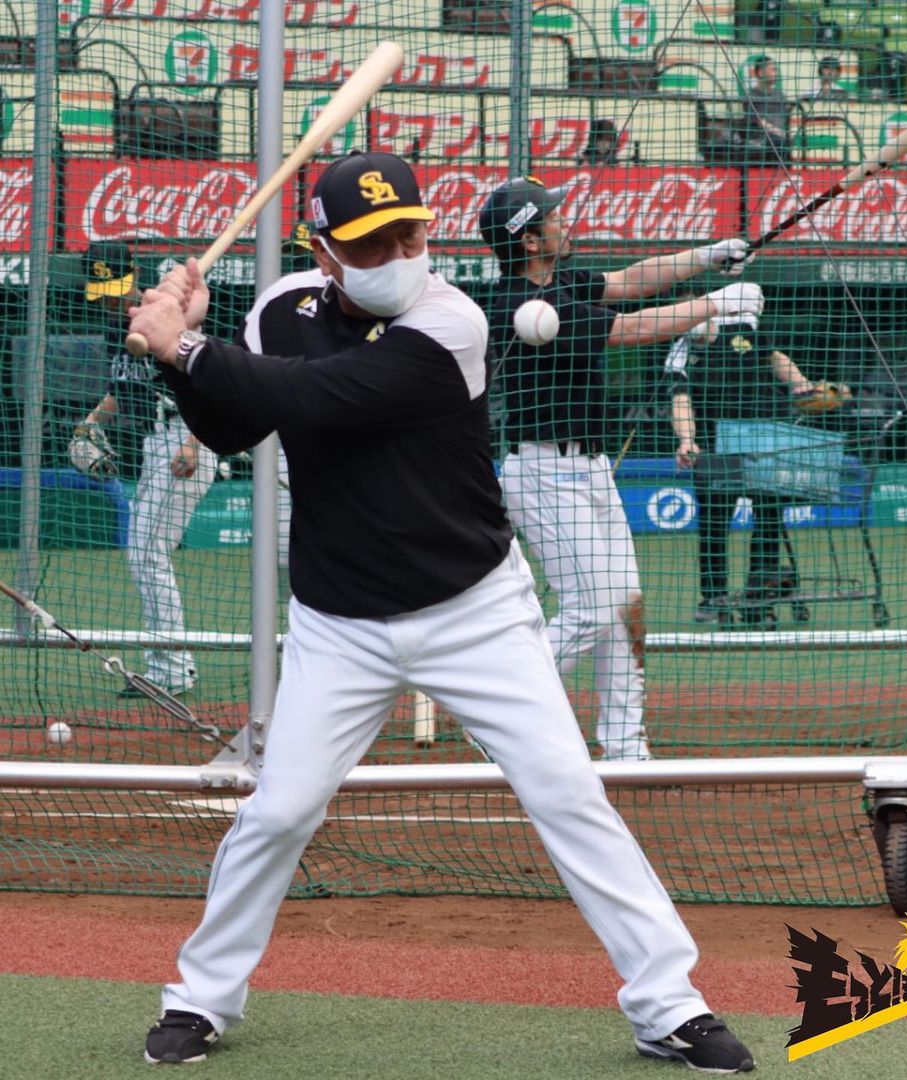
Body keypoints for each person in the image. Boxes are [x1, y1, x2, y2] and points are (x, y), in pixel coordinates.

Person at [128, 151, 755, 1074]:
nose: (396, 254)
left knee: (567, 791)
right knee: (280, 811)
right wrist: (182, 357)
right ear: (322, 252)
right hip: (340, 622)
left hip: (475, 611)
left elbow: (322, 398)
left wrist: (183, 348)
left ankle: (669, 1005)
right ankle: (201, 997)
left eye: (408, 234)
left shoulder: (453, 320)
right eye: (370, 243)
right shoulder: (281, 309)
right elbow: (235, 423)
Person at [478, 175, 753, 761]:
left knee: (625, 603)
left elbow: (633, 279)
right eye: (552, 217)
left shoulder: (562, 281)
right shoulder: (521, 304)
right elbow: (631, 328)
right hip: (542, 471)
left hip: (591, 467)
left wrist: (708, 256)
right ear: (528, 241)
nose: (564, 220)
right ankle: (495, 715)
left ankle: (625, 744)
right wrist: (716, 305)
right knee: (592, 607)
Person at [68, 241, 215, 695]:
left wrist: (194, 442)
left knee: (148, 551)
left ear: (134, 275)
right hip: (157, 444)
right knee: (144, 553)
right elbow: (123, 389)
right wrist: (90, 422)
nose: (111, 301)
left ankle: (173, 669)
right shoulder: (119, 327)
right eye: (103, 293)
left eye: (116, 289)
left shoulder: (170, 315)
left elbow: (212, 383)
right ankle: (168, 665)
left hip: (186, 439)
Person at [666, 294, 840, 627]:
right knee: (714, 523)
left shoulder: (743, 329)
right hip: (717, 448)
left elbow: (774, 357)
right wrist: (687, 439)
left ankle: (761, 595)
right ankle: (714, 598)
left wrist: (803, 385)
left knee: (769, 518)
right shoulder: (679, 357)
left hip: (766, 439)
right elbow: (681, 400)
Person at [741, 54, 790, 165]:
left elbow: (787, 118)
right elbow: (759, 122)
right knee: (779, 142)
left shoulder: (780, 95)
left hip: (781, 137)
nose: (776, 74)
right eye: (772, 70)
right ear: (760, 73)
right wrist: (781, 133)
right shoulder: (751, 95)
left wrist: (787, 133)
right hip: (761, 138)